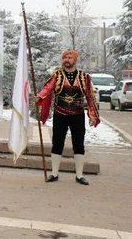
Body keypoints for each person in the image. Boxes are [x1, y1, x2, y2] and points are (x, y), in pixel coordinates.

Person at [37, 50, 100, 185]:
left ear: (75, 60)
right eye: (64, 57)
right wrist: (40, 96)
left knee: (79, 144)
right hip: (60, 114)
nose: (66, 59)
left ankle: (79, 175)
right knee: (57, 143)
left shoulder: (84, 77)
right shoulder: (57, 75)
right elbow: (47, 89)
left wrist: (92, 114)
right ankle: (54, 174)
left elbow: (90, 96)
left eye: (69, 57)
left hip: (78, 115)